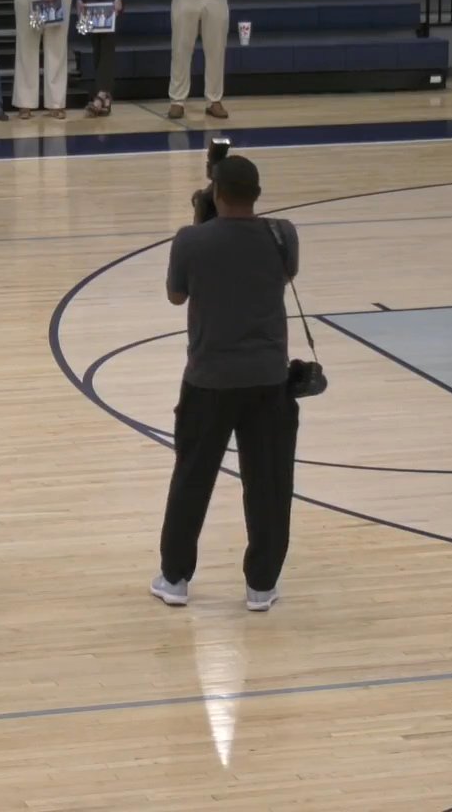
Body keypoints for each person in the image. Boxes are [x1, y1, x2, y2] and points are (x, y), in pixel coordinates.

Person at [152, 154, 299, 613]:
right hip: (269, 381)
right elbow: (286, 275)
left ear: (215, 192)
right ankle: (261, 585)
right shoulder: (282, 234)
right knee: (269, 484)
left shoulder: (191, 240)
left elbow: (177, 296)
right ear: (257, 195)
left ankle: (175, 578)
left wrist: (201, 225)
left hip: (208, 382)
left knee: (192, 479)